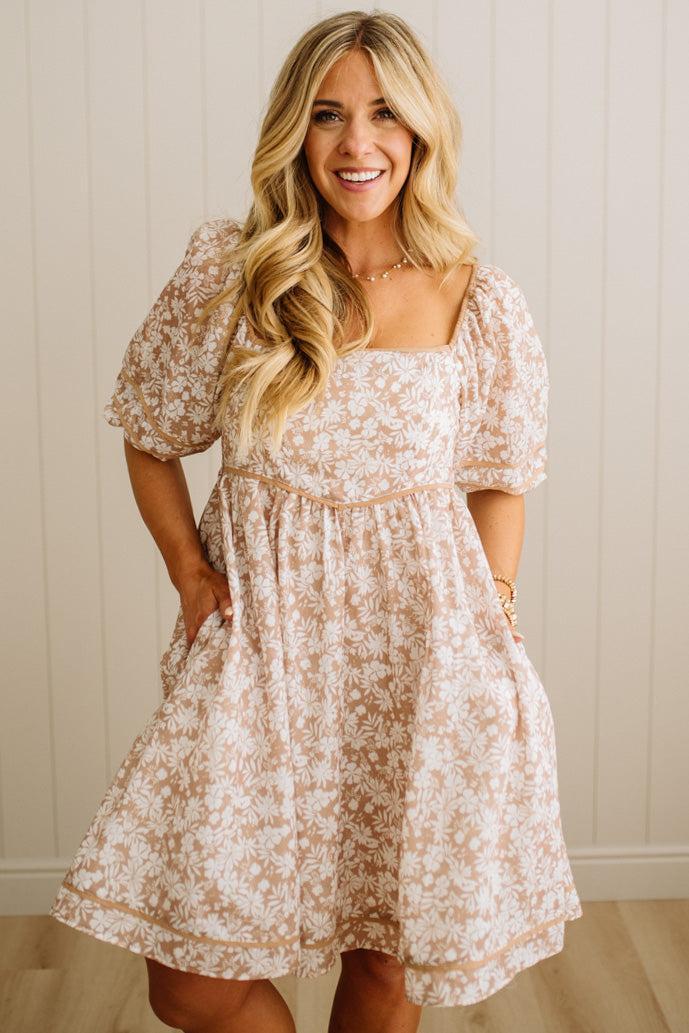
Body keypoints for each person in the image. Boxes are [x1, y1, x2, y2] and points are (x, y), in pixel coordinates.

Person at [49, 10, 582, 1033]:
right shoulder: (233, 274)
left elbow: (497, 477)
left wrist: (496, 608)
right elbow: (149, 434)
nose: (356, 142)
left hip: (422, 654)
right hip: (263, 651)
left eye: (383, 113)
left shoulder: (477, 299)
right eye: (327, 114)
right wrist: (192, 580)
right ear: (294, 130)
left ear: (420, 129)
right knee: (192, 981)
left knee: (384, 957)